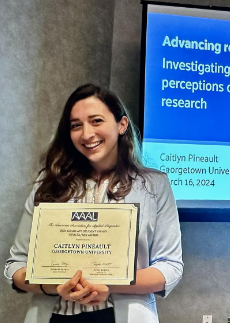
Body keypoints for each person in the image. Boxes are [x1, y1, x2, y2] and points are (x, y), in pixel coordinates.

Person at [4, 84, 183, 323]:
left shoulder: (154, 186)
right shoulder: (47, 184)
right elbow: (15, 266)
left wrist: (110, 284)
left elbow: (170, 267)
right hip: (53, 316)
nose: (86, 134)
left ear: (122, 125)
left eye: (96, 121)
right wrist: (53, 286)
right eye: (76, 125)